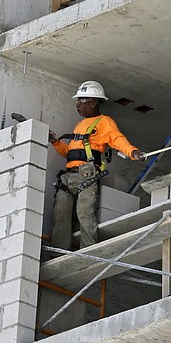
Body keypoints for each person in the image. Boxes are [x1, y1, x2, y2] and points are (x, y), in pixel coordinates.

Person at [48, 81, 143, 251]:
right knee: (60, 214)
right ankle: (58, 253)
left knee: (85, 214)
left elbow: (117, 139)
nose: (78, 105)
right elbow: (70, 153)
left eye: (81, 101)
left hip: (87, 173)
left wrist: (133, 152)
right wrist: (56, 143)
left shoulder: (104, 122)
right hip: (69, 175)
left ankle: (89, 252)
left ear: (93, 103)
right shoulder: (79, 125)